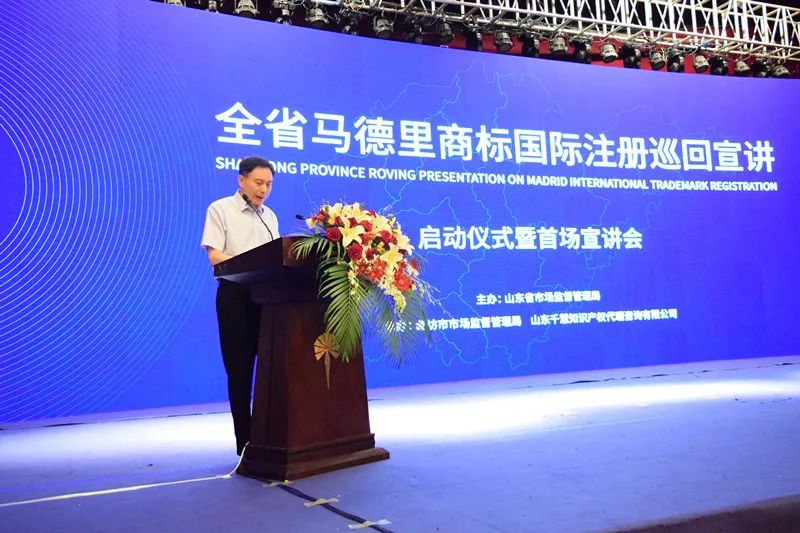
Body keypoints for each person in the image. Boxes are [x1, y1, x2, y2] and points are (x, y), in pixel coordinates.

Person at [201, 156, 279, 455]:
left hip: (268, 298)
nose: (264, 189)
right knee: (240, 371)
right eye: (258, 182)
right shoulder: (220, 209)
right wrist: (251, 263)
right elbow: (215, 256)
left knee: (273, 367)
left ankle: (271, 436)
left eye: (269, 184)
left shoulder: (269, 216)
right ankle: (245, 445)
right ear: (241, 180)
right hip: (235, 296)